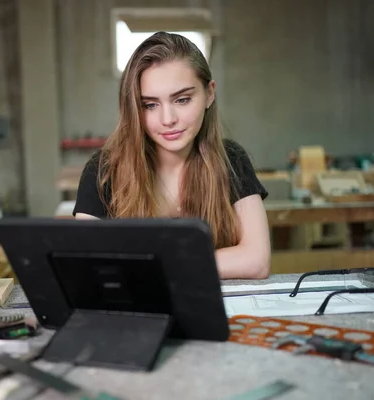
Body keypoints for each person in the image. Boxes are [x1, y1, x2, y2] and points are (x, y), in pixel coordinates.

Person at [73, 31, 271, 280]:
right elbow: (85, 262)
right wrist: (194, 263)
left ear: (209, 93)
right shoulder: (104, 169)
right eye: (150, 105)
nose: (168, 120)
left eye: (182, 99)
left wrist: (149, 263)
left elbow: (256, 261)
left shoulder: (231, 160)